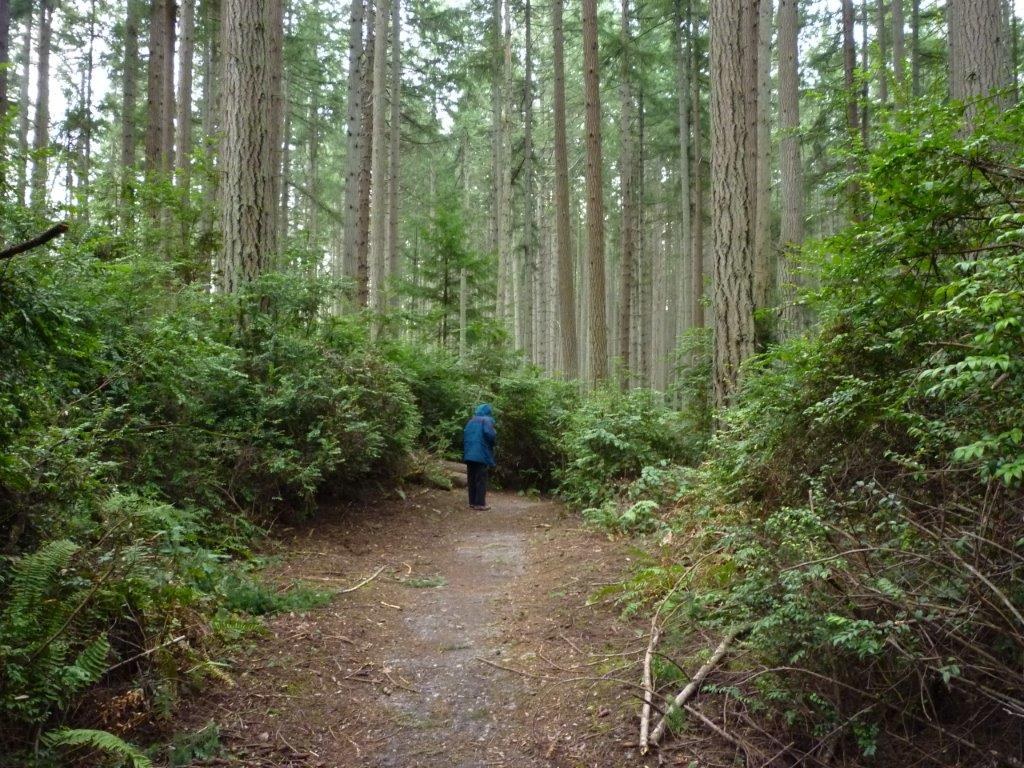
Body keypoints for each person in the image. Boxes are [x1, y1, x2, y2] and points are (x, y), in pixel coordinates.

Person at [462, 403, 496, 510]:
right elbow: (490, 435)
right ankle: (480, 504)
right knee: (480, 479)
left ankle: (472, 502)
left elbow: (465, 435)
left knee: (471, 478)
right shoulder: (487, 420)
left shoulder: (471, 421)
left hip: (469, 453)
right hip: (481, 454)